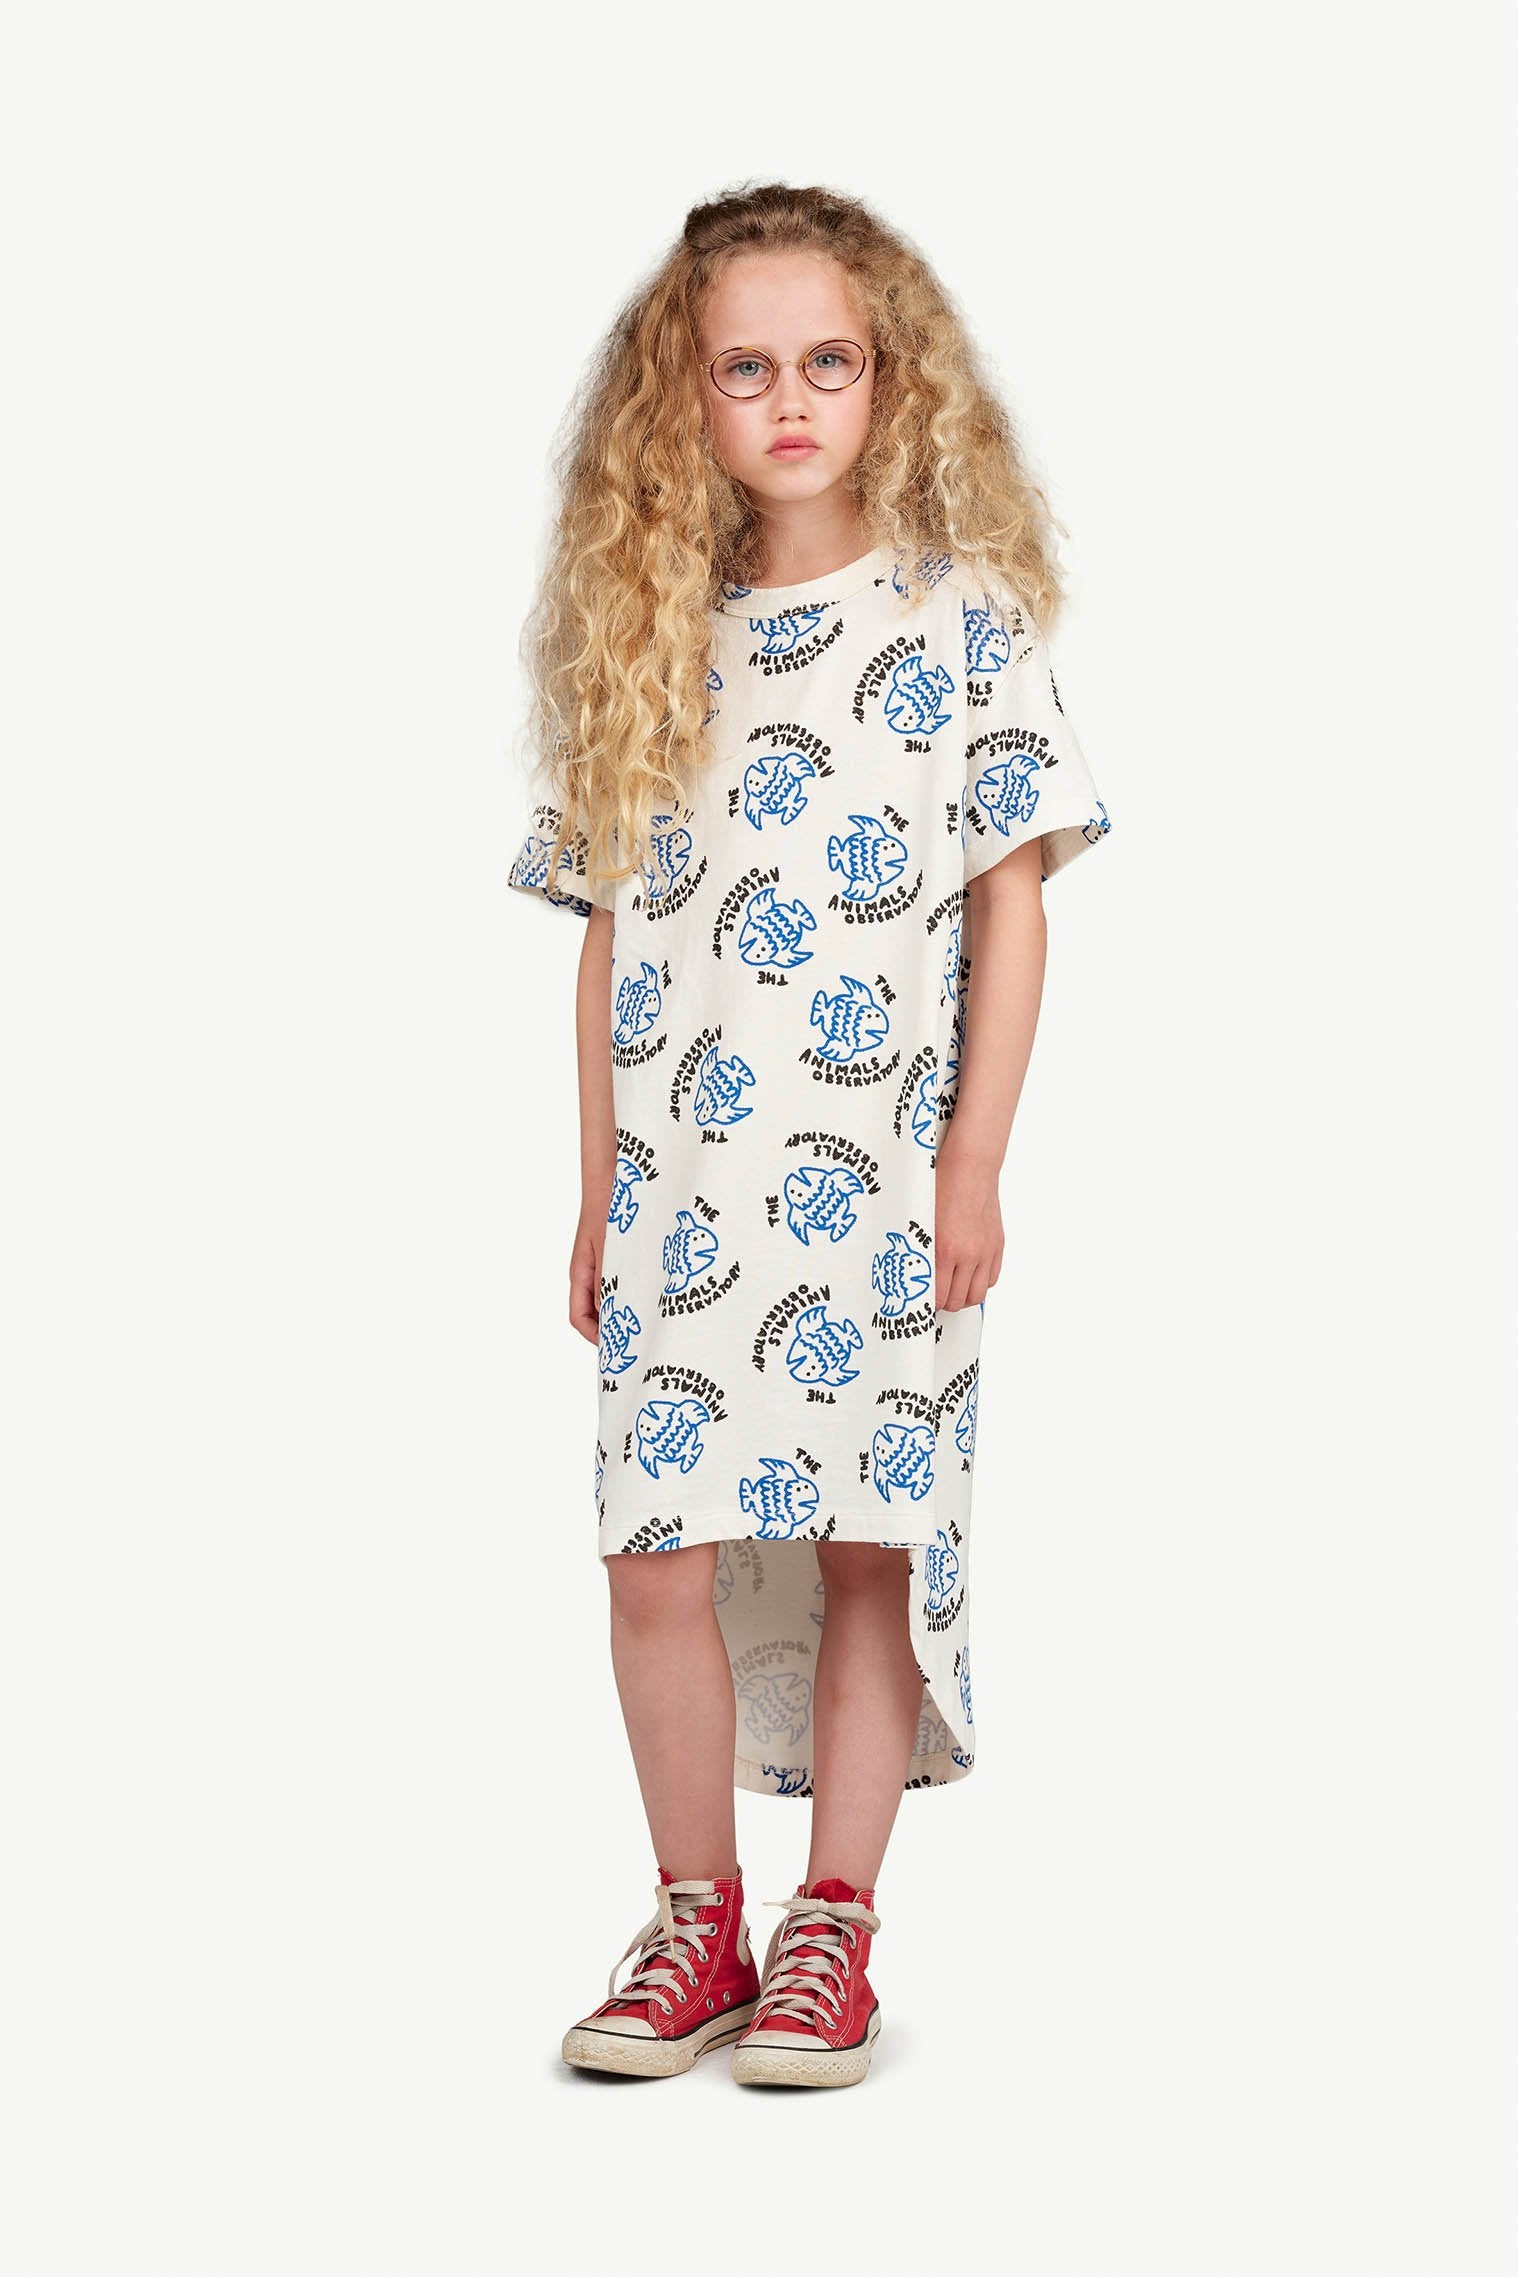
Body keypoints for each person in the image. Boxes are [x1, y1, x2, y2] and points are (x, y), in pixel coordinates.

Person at [507, 181, 1113, 2088]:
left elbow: (1012, 899)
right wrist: (596, 1186)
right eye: (743, 368)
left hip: (882, 1189)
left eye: (827, 362)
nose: (787, 401)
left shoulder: (957, 621)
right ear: (678, 399)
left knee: (867, 1544)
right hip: (683, 1187)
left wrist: (972, 1165)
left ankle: (829, 1927)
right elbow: (608, 931)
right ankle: (696, 1918)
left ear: (891, 381)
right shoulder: (645, 637)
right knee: (654, 1551)